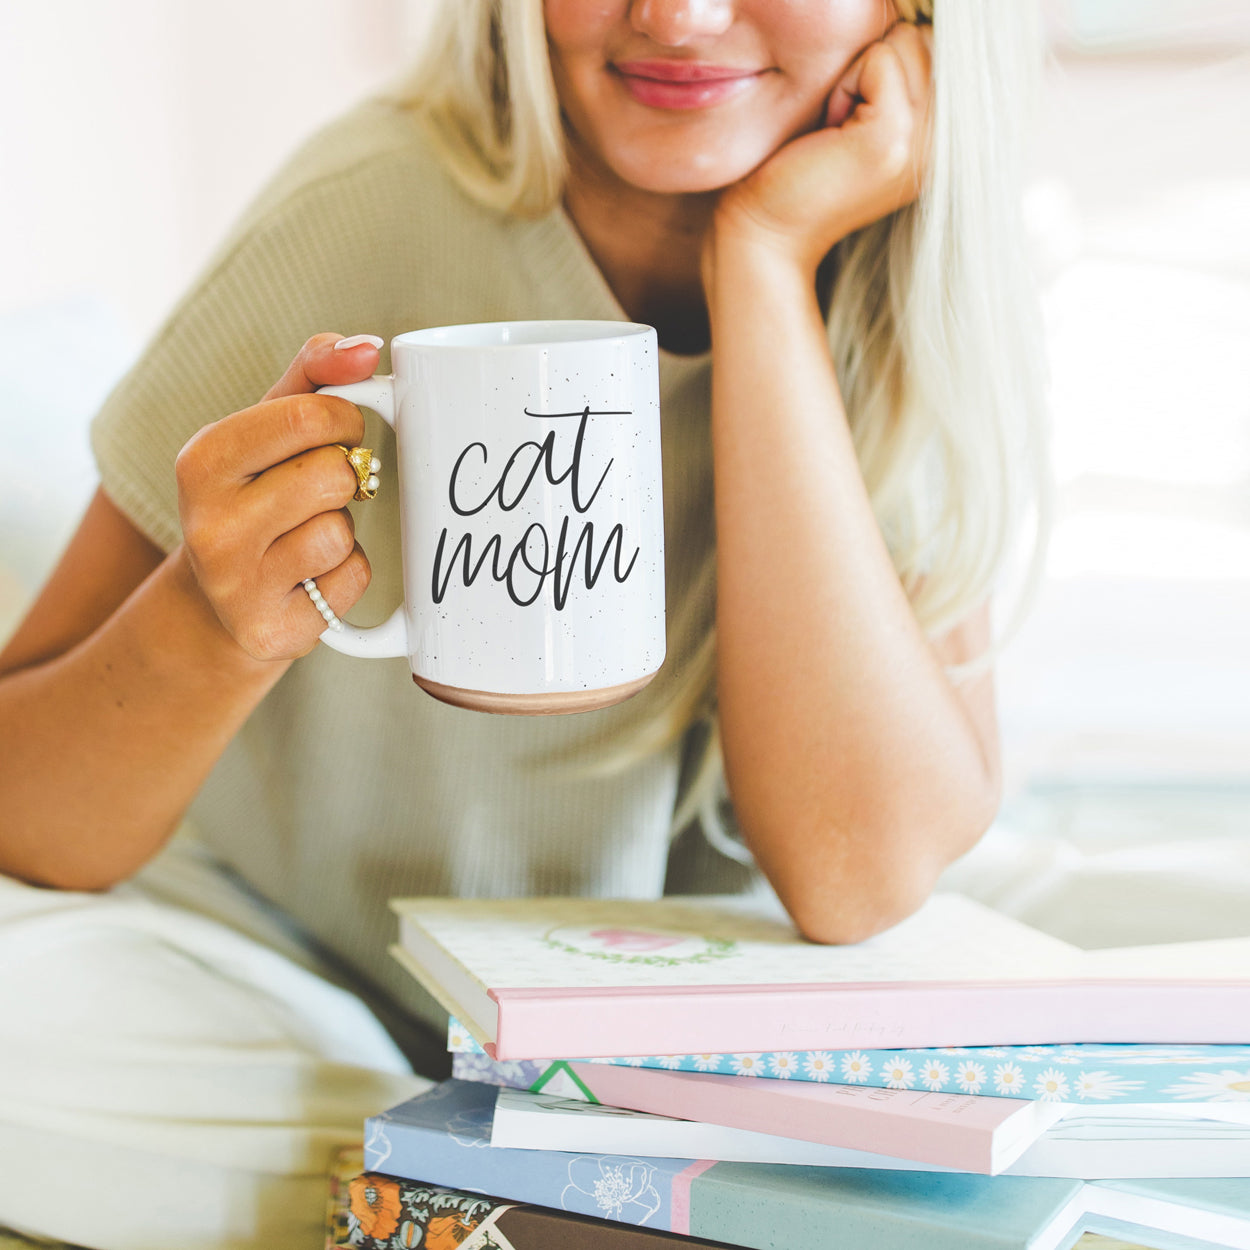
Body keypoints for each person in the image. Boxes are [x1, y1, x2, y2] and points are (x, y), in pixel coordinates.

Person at [0, 1, 1046, 1247]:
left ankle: (470, 1171)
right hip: (295, 970)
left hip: (674, 1013)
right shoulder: (367, 205)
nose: (677, 16)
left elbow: (857, 875)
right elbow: (26, 815)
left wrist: (763, 259)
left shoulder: (898, 273)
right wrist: (211, 622)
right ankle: (512, 1170)